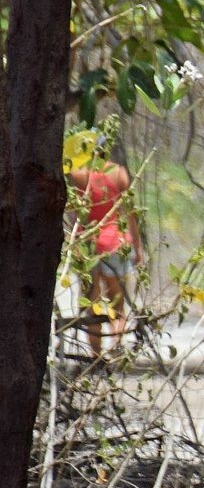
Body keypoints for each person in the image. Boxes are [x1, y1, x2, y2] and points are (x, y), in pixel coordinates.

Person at [68, 148, 142, 356]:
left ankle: (96, 358)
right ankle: (117, 351)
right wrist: (137, 246)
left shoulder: (78, 175)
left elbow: (74, 214)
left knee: (92, 305)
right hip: (116, 244)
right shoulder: (119, 173)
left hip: (87, 248)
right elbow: (130, 213)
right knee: (117, 305)